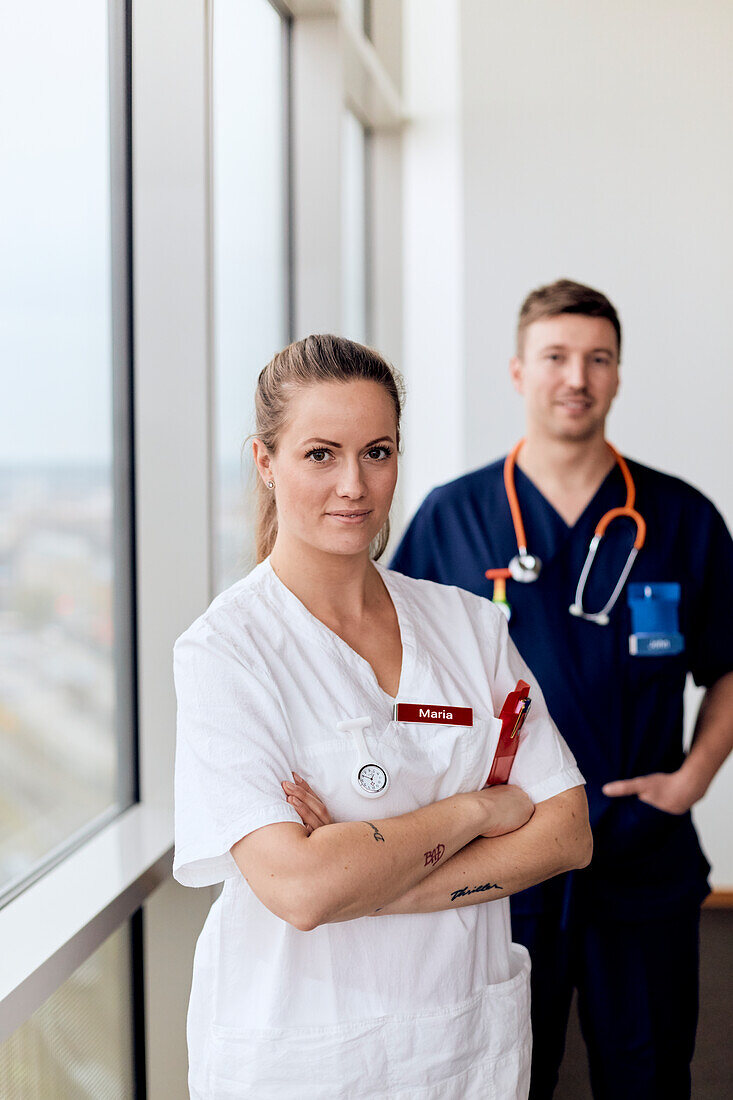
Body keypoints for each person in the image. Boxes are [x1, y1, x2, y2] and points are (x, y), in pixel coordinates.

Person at [172, 334, 591, 1099]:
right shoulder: (226, 652)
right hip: (303, 1055)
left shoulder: (466, 626)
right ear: (265, 462)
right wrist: (480, 808)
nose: (354, 485)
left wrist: (362, 877)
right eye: (320, 454)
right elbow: (301, 893)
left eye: (377, 451)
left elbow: (565, 833)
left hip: (463, 1044)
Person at [390, 279, 733, 1100]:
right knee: (501, 1078)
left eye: (596, 359)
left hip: (638, 846)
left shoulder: (679, 516)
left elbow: (730, 663)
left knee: (648, 1075)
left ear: (616, 375)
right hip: (506, 855)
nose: (574, 376)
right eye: (554, 357)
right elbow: (389, 669)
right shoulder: (454, 516)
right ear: (517, 371)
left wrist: (689, 782)